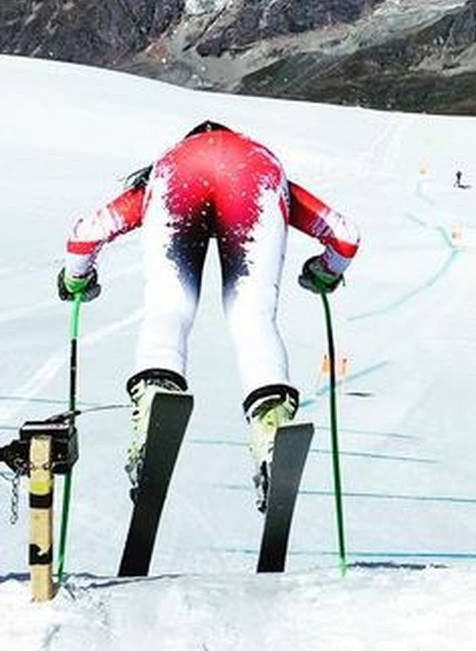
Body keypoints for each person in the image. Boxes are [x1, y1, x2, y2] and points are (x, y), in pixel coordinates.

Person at [57, 121, 360, 511]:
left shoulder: (169, 164)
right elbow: (345, 236)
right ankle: (271, 426)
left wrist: (76, 279)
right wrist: (324, 272)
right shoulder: (260, 160)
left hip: (176, 182)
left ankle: (155, 401)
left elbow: (85, 234)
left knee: (169, 305)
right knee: (252, 315)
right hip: (256, 183)